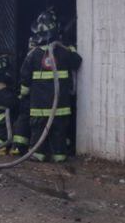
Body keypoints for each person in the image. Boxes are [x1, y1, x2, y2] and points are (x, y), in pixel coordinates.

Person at [20, 11, 82, 163]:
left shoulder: (33, 55)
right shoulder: (63, 51)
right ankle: (59, 156)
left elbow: (25, 77)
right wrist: (71, 47)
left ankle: (37, 154)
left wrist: (23, 95)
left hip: (39, 106)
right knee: (59, 132)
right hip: (60, 106)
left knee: (38, 131)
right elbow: (77, 61)